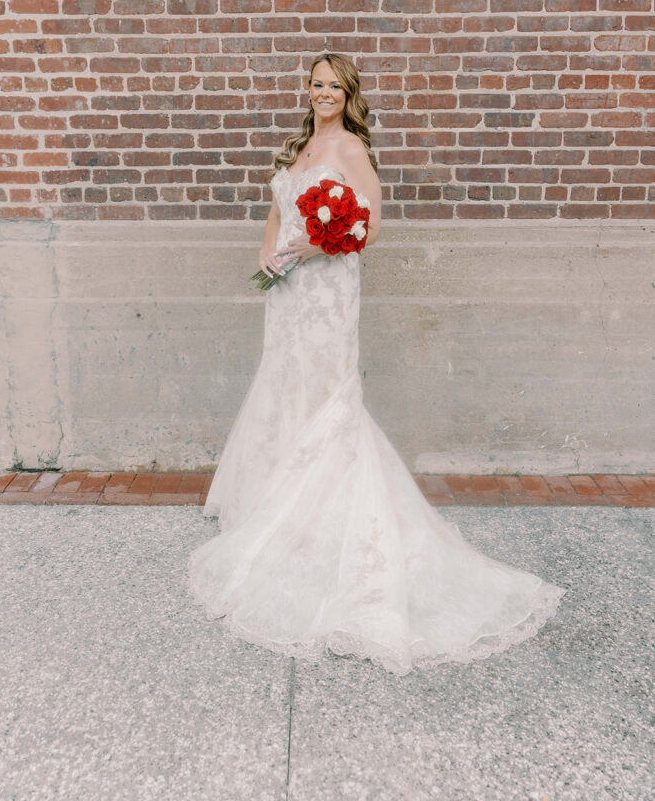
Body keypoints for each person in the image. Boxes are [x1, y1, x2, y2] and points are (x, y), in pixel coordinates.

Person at [187, 51, 566, 676]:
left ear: (348, 94)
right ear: (307, 89)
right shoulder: (297, 148)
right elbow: (277, 213)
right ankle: (281, 509)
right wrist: (268, 255)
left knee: (327, 397)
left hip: (328, 293)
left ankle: (330, 521)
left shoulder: (352, 149)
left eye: (334, 87)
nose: (323, 93)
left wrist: (314, 247)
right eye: (316, 84)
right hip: (286, 293)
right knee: (286, 387)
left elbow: (369, 225)